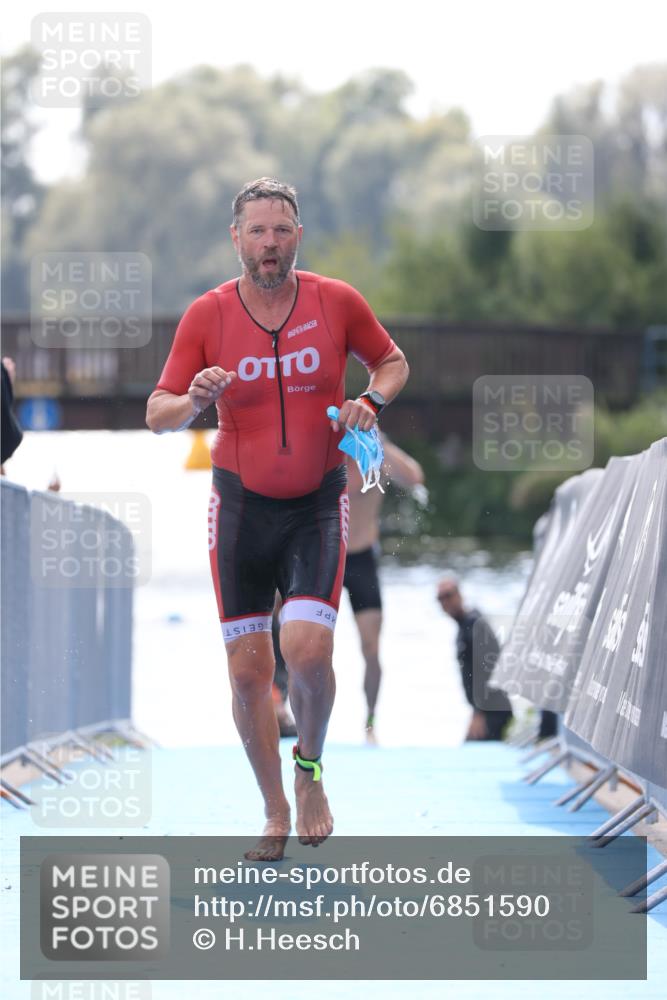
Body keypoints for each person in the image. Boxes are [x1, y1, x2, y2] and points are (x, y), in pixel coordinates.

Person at [146, 178, 409, 861]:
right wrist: (193, 399)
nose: (269, 243)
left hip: (318, 505)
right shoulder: (207, 316)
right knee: (246, 675)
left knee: (310, 651)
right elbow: (156, 414)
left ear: (298, 237)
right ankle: (272, 808)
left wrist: (370, 404)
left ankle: (311, 769)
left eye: (281, 231)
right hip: (239, 511)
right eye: (256, 231)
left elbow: (391, 362)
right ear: (236, 239)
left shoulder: (335, 301)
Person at [344, 441, 424, 739]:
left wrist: (378, 439)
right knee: (302, 636)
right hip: (328, 555)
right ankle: (284, 704)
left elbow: (415, 478)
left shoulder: (376, 457)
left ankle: (370, 720)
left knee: (371, 648)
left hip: (362, 558)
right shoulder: (330, 451)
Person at [436, 574, 513, 741]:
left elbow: (490, 670)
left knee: (474, 754)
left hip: (493, 709)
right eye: (440, 599)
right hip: (487, 709)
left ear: (459, 595)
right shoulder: (465, 625)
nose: (445, 602)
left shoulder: (475, 625)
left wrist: (480, 713)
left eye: (448, 595)